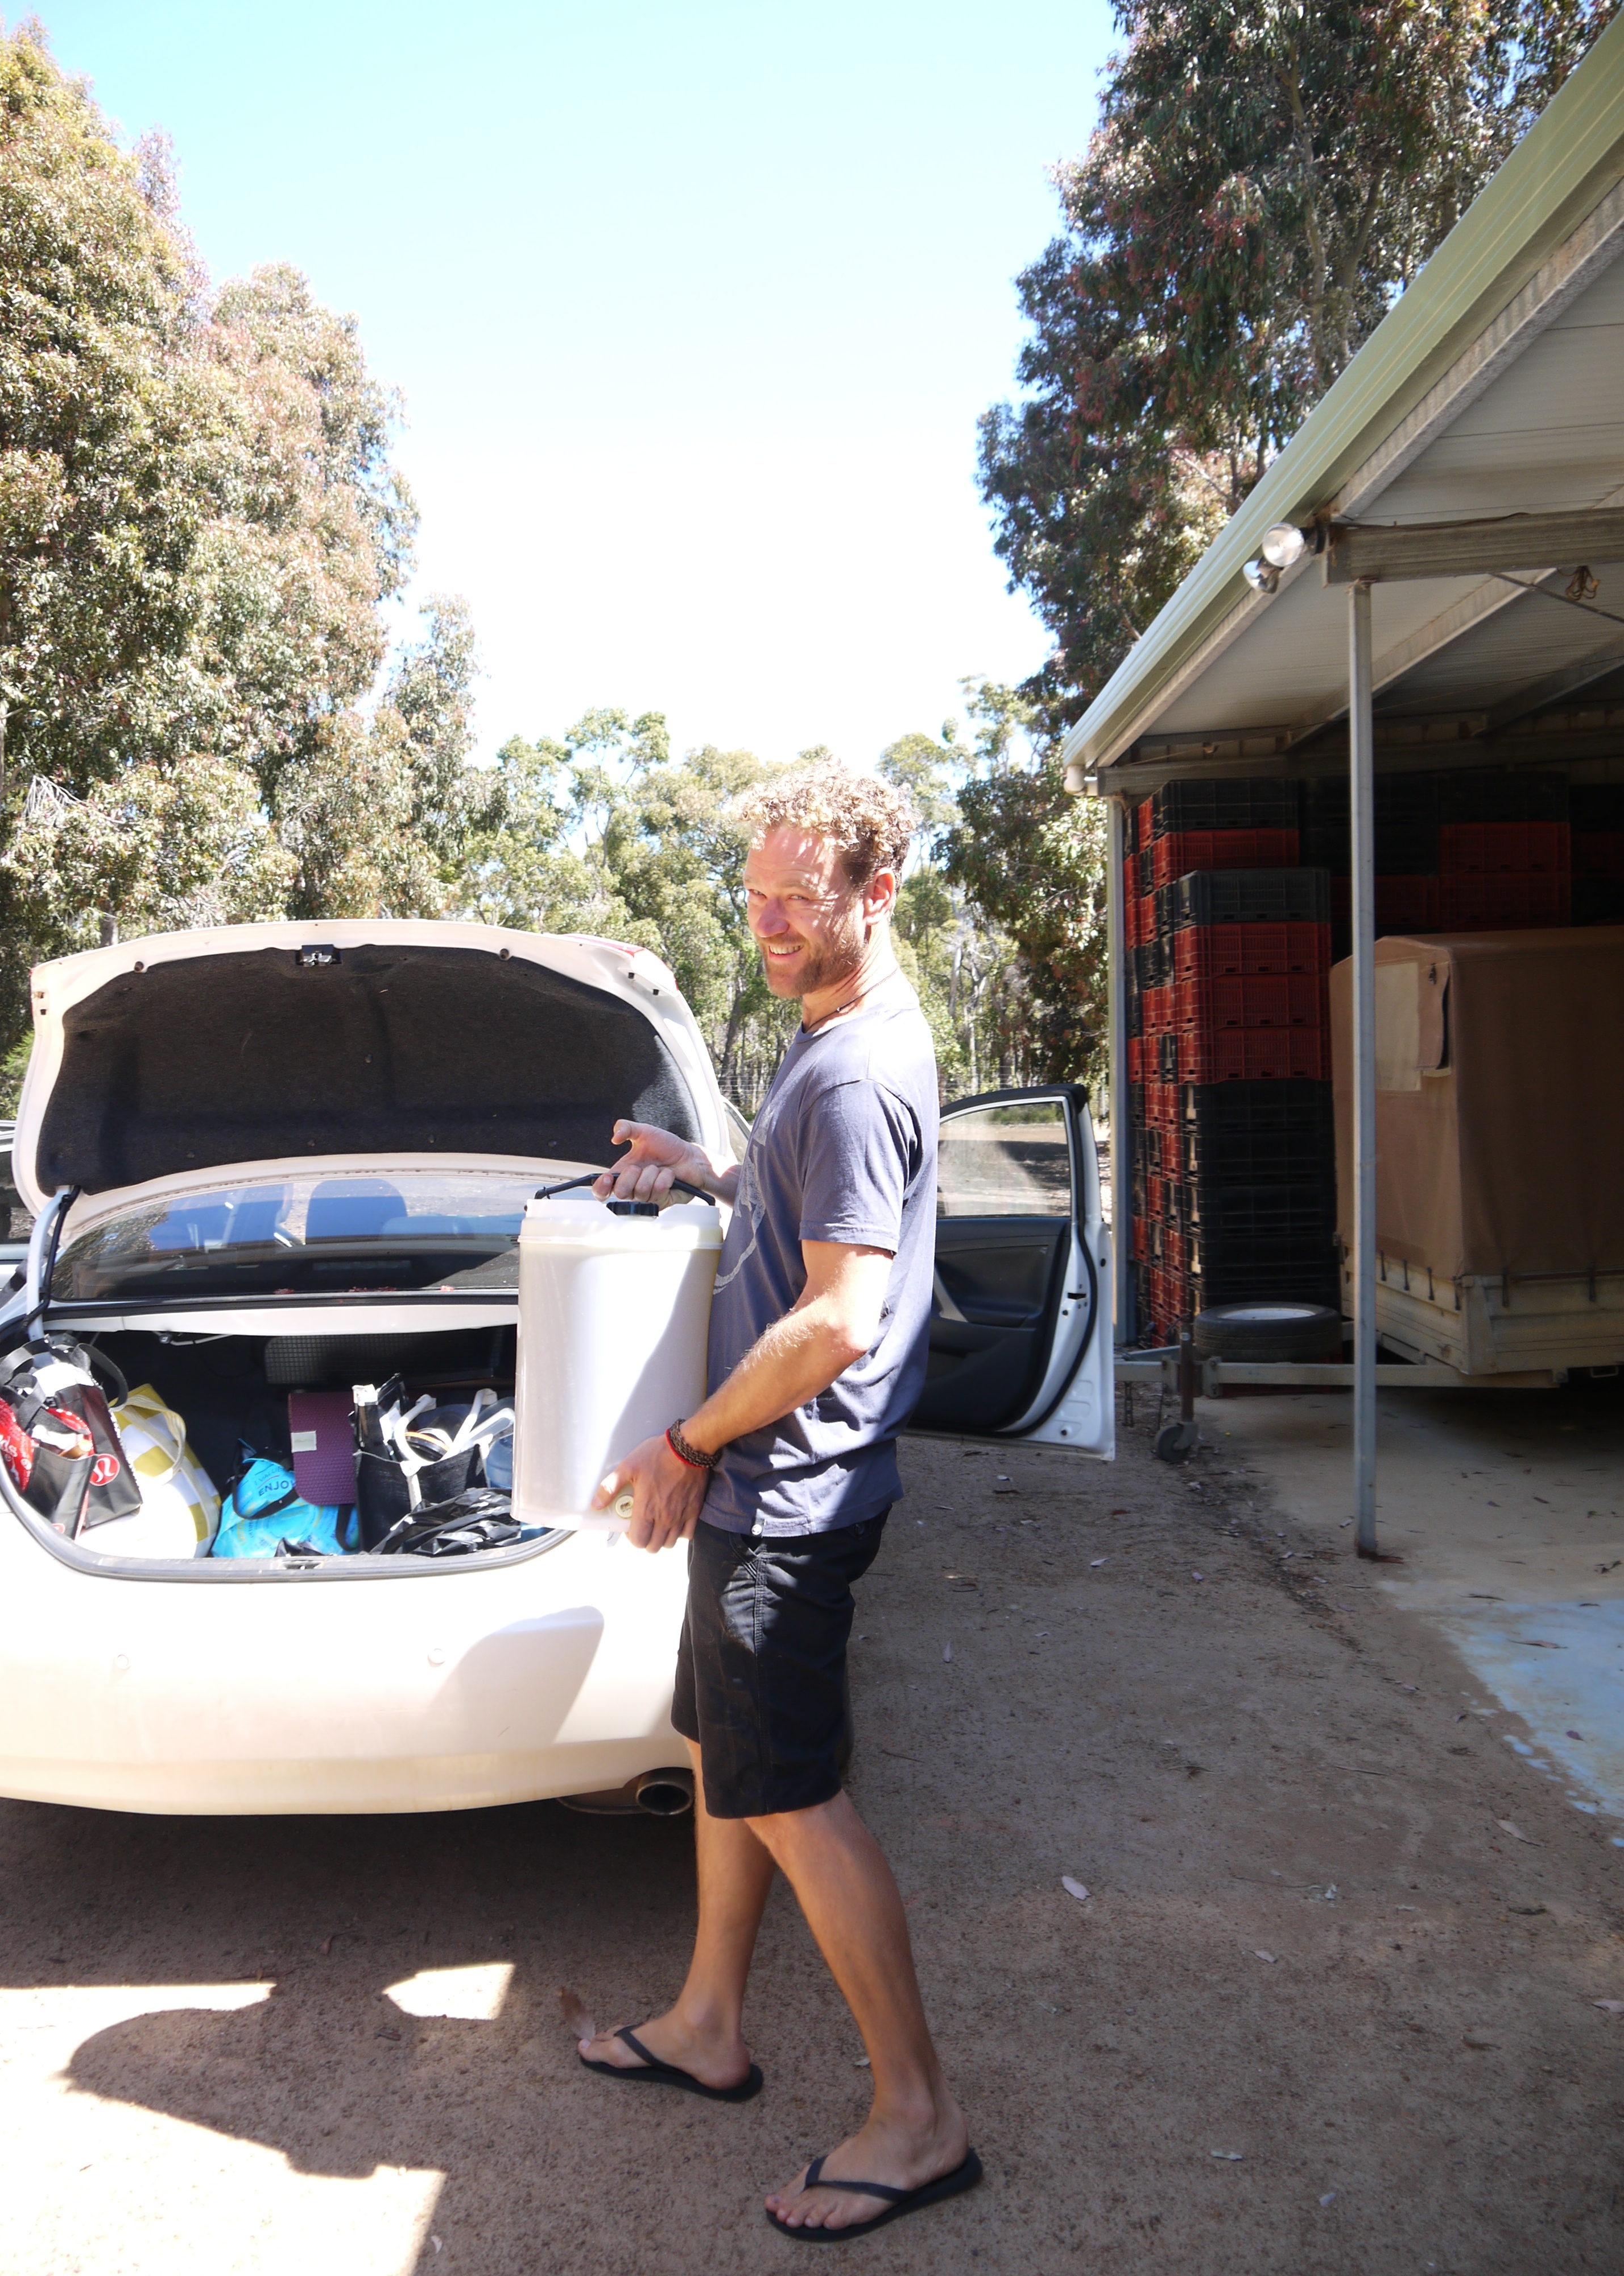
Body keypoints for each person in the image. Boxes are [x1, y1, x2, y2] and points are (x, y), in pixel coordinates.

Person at [579, 765, 981, 2242]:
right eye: (752, 898)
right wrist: (711, 1172)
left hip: (787, 1499)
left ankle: (918, 2116)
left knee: (795, 1793)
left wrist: (686, 1442)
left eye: (794, 901)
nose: (764, 924)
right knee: (718, 1748)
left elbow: (838, 1316)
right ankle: (707, 2022)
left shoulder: (861, 1067)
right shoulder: (833, 1041)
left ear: (876, 896)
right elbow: (806, 1198)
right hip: (770, 1485)